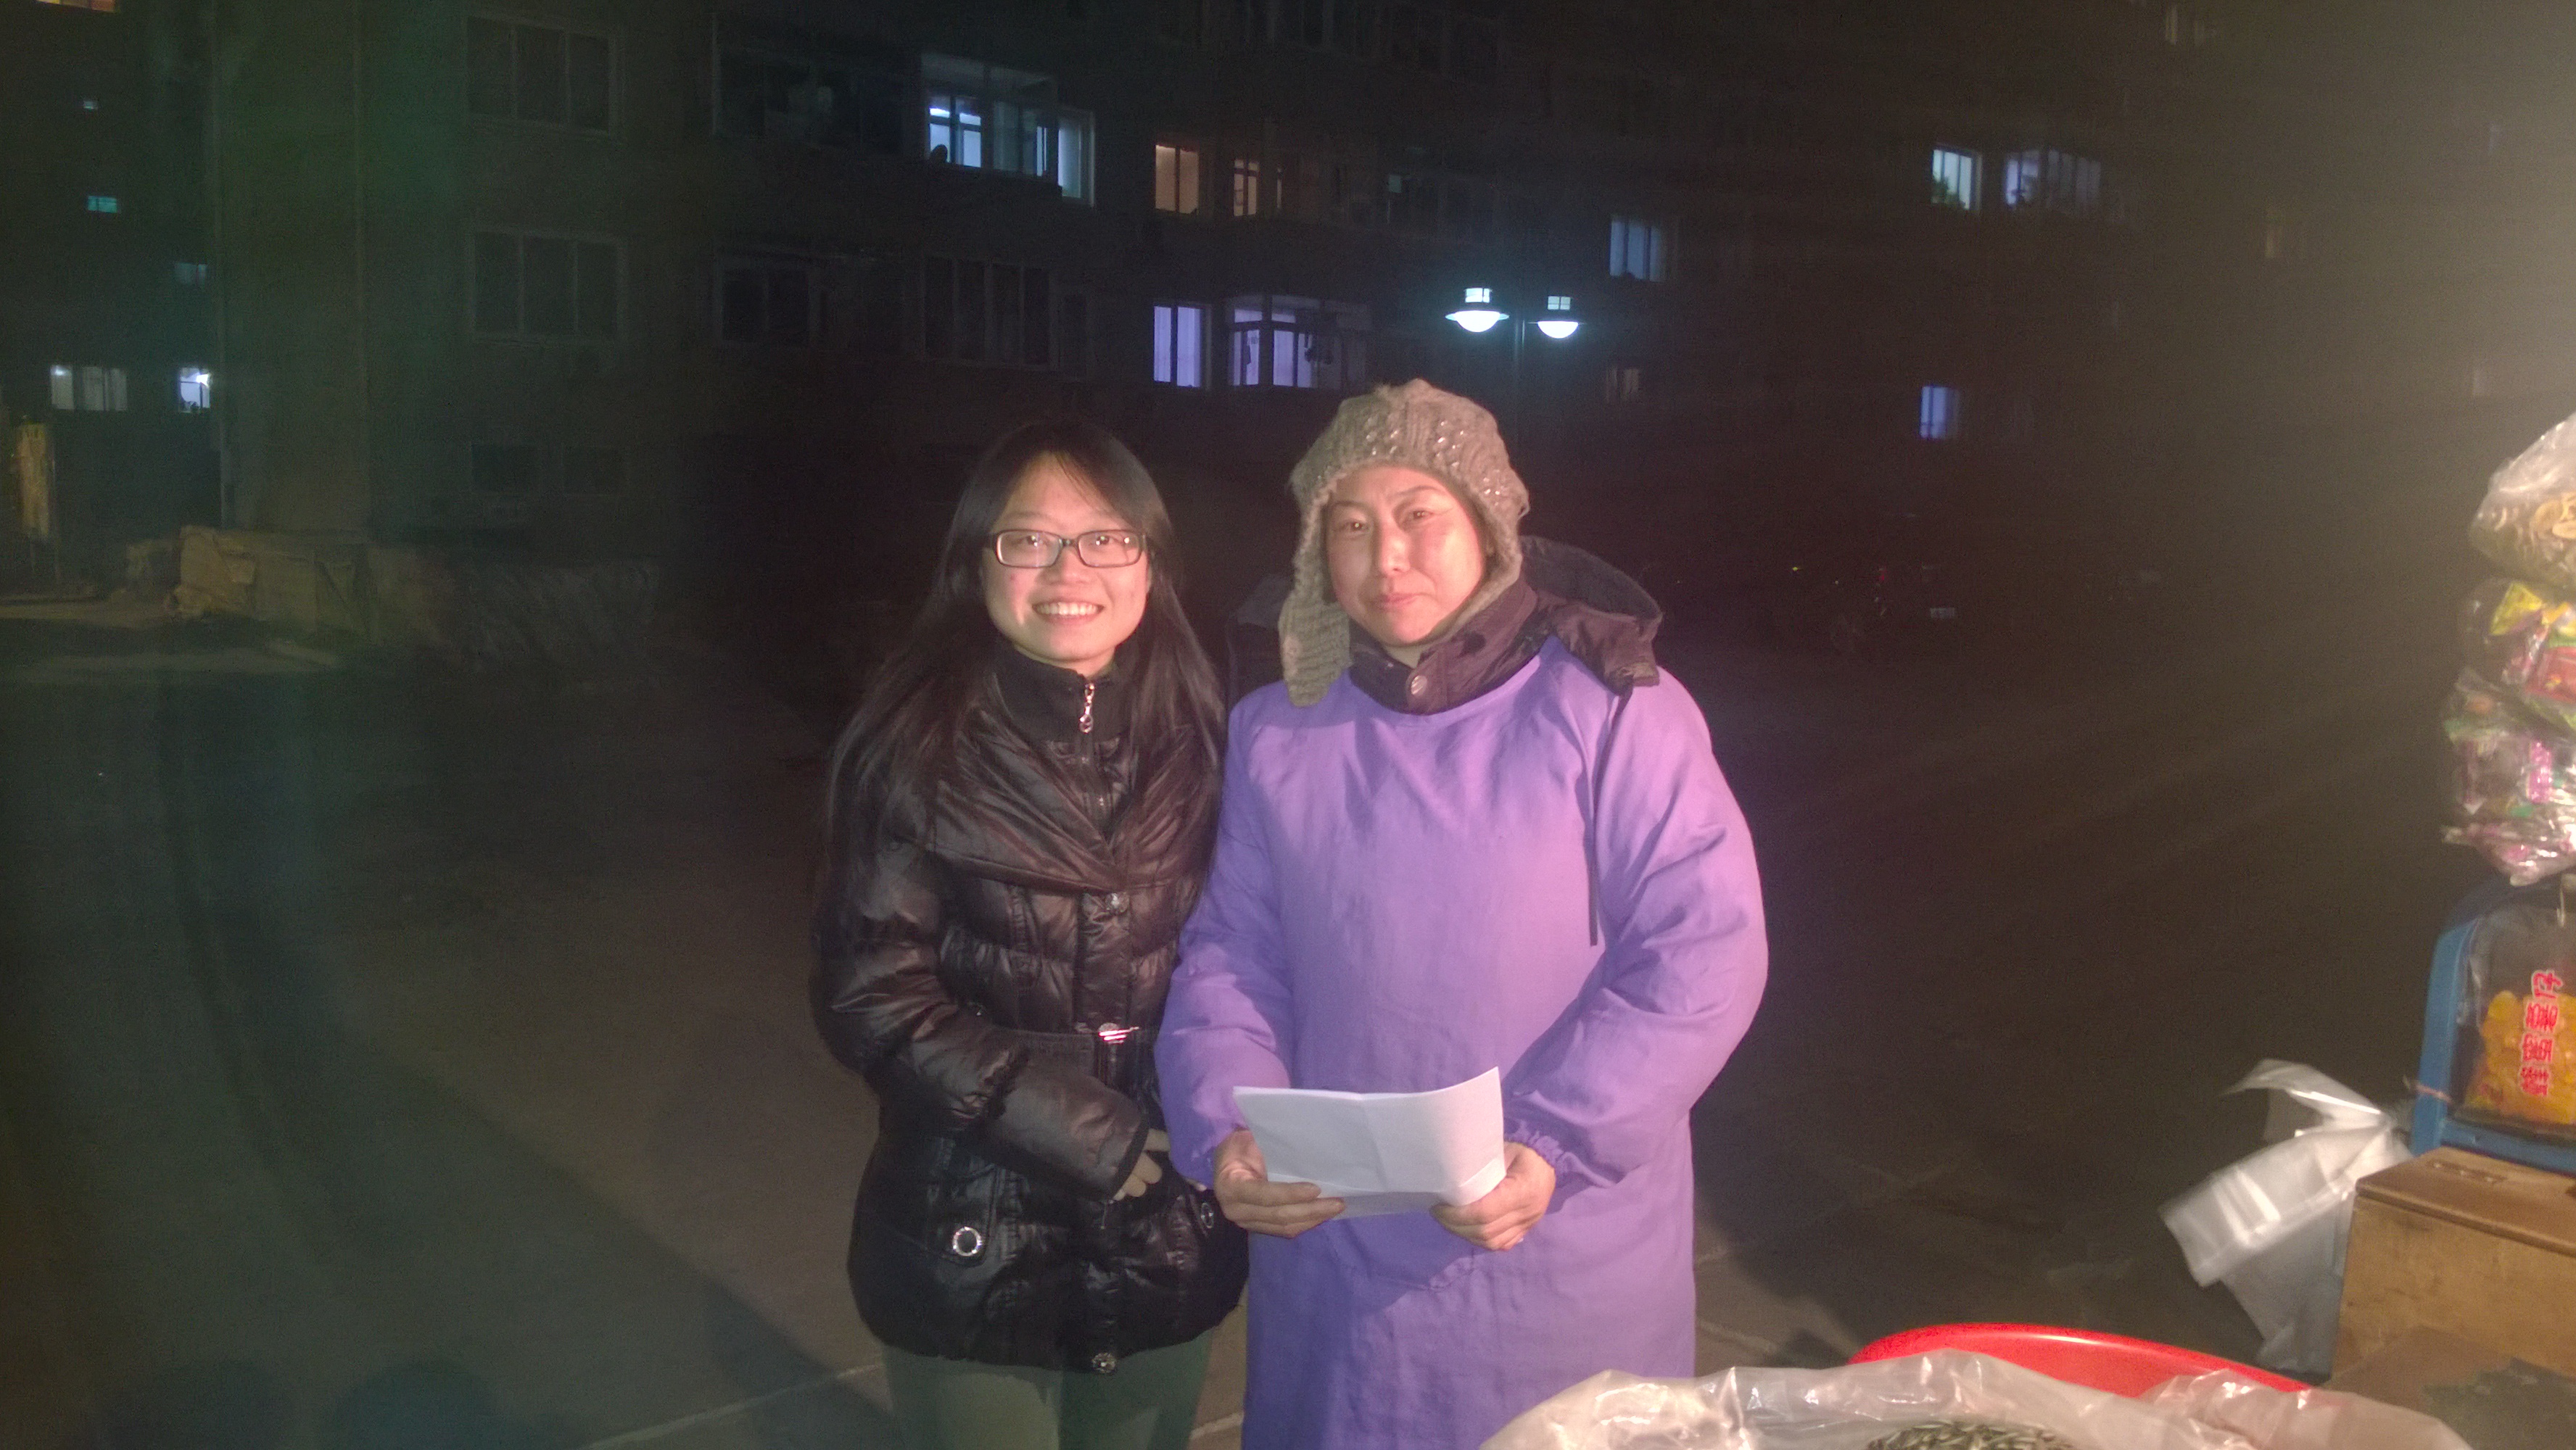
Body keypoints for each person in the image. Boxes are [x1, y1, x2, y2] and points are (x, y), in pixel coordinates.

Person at [1155, 381, 1767, 1449]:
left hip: (1554, 1244)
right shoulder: (1277, 733)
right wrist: (1228, 1128)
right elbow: (1232, 953)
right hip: (1337, 1252)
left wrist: (1556, 1141)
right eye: (1351, 526)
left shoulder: (1615, 709)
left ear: (1489, 527)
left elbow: (1702, 950)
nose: (1386, 556)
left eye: (1418, 515)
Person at [812, 420, 1247, 1450]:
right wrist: (1081, 1130)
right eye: (1029, 540)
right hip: (974, 1224)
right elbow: (872, 997)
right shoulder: (916, 746)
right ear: (978, 564)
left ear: (1152, 564)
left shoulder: (1208, 739)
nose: (1068, 570)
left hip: (1163, 1227)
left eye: (1105, 538)